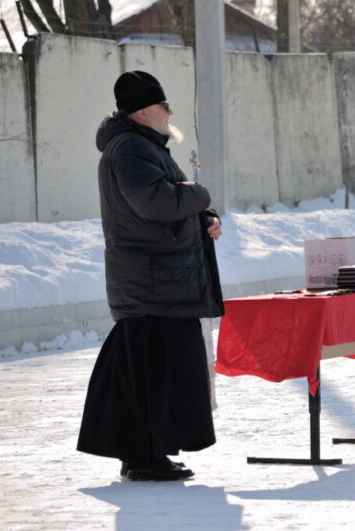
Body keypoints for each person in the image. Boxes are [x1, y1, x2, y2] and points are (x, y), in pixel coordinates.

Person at [77, 71, 225, 480]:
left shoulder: (140, 146)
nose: (170, 112)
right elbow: (158, 202)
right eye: (164, 105)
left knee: (151, 373)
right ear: (143, 111)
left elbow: (169, 203)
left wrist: (202, 217)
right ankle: (144, 456)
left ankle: (147, 452)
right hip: (152, 282)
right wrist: (202, 193)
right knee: (153, 374)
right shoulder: (130, 150)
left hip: (157, 281)